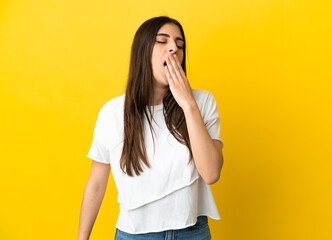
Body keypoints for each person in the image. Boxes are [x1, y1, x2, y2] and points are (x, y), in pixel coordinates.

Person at [77, 16, 224, 240]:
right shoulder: (112, 112)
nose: (174, 48)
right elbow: (96, 184)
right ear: (142, 52)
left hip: (192, 233)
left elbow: (211, 173)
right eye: (162, 41)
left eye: (180, 44)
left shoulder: (202, 103)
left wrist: (188, 104)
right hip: (134, 234)